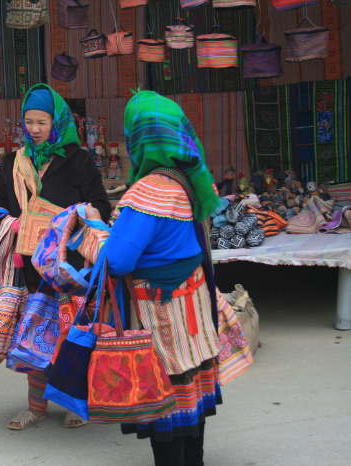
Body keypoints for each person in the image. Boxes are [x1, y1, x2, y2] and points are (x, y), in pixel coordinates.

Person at [101, 91, 221, 466]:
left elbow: (118, 261)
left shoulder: (149, 190)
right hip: (193, 307)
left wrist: (94, 233)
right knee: (191, 393)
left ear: (138, 138)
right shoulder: (191, 179)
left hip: (162, 313)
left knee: (167, 399)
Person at [0, 83, 111, 430]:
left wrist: (66, 219)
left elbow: (101, 206)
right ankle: (36, 406)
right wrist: (14, 223)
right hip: (27, 267)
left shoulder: (78, 161)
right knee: (33, 336)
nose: (35, 130)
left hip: (68, 267)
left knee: (72, 336)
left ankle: (73, 403)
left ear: (56, 123)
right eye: (29, 122)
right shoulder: (13, 163)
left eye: (42, 122)